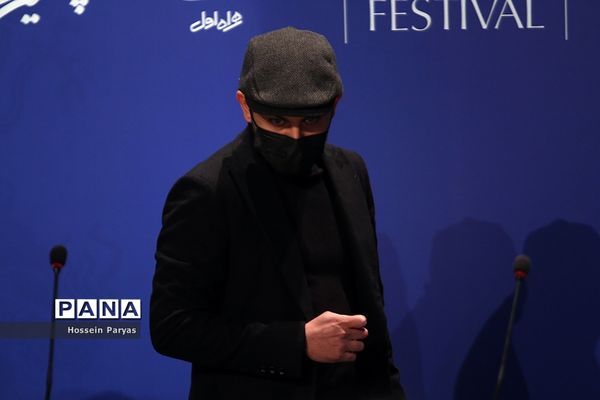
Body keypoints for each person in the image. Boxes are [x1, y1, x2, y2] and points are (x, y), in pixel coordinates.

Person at [150, 27, 406, 400]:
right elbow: (172, 326)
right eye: (278, 122)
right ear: (244, 106)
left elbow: (371, 306)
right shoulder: (207, 191)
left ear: (335, 104)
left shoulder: (351, 170)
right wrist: (297, 343)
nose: (295, 137)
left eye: (311, 121)